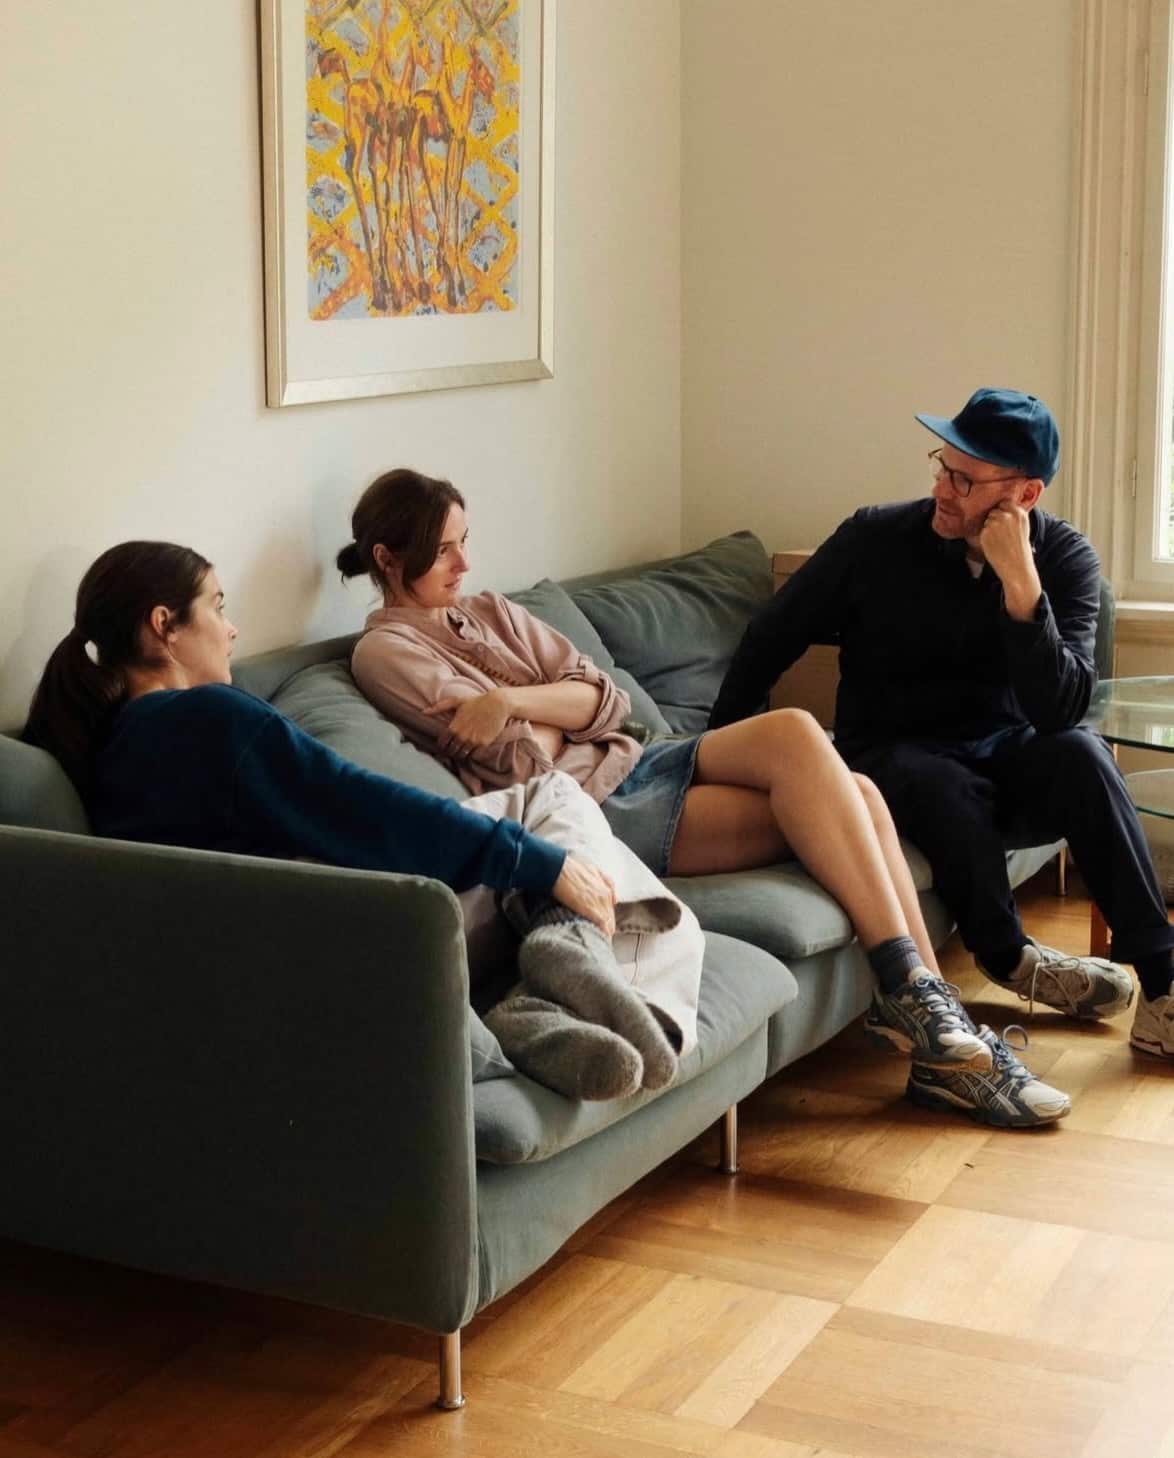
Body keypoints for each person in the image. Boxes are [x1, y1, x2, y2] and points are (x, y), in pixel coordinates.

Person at [337, 468, 1071, 1127]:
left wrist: (507, 697)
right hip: (591, 813)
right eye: (444, 551)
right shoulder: (386, 654)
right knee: (843, 783)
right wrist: (539, 715)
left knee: (831, 764)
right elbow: (520, 755)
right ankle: (934, 1018)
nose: (464, 564)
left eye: (466, 543)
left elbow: (606, 699)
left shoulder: (494, 610)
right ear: (388, 560)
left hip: (639, 760)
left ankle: (924, 1010)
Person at [21, 540, 709, 1102]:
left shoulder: (102, 755)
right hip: (377, 926)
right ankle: (567, 954)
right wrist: (541, 865)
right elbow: (362, 810)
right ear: (163, 625)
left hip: (306, 941)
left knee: (563, 827)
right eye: (217, 608)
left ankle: (544, 998)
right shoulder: (214, 720)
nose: (232, 629)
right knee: (620, 873)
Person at [709, 386, 1174, 1063]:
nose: (942, 490)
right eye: (942, 466)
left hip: (1004, 759)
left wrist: (1022, 586)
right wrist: (717, 748)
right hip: (893, 759)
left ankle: (1162, 990)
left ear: (1025, 496)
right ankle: (1010, 957)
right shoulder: (875, 537)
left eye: (964, 478)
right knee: (935, 778)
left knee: (1081, 752)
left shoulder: (1065, 559)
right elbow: (770, 638)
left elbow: (1059, 709)